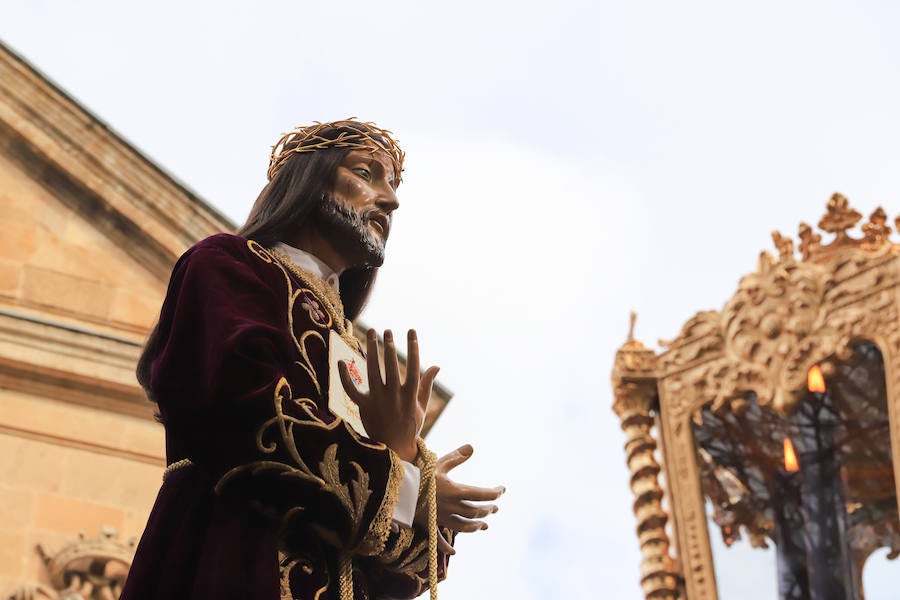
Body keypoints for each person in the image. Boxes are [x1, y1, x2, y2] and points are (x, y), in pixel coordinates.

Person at [120, 119, 504, 600]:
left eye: (392, 185)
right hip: (234, 562)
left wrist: (407, 460)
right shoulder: (229, 266)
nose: (390, 200)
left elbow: (400, 575)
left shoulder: (352, 348)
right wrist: (408, 485)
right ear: (308, 181)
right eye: (367, 174)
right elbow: (248, 413)